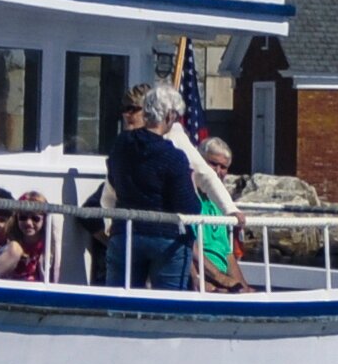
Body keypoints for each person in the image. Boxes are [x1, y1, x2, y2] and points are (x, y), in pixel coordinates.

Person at [105, 84, 200, 288]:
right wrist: (190, 182)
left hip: (125, 232)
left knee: (119, 304)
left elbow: (113, 180)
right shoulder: (173, 157)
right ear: (169, 116)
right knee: (167, 308)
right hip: (166, 238)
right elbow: (189, 207)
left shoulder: (121, 144)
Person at [194, 131, 245, 288]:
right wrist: (217, 279)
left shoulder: (221, 204)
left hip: (222, 279)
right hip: (202, 278)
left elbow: (226, 252)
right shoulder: (189, 197)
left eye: (223, 167)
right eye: (212, 164)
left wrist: (244, 287)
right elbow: (188, 247)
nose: (217, 171)